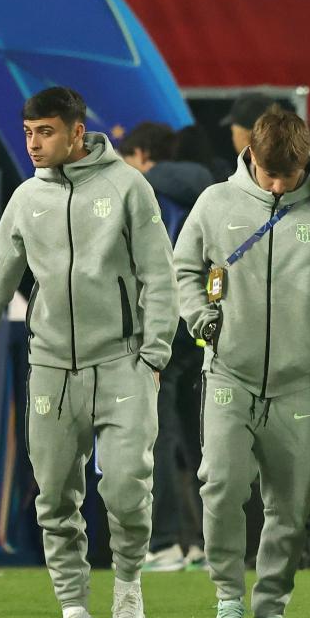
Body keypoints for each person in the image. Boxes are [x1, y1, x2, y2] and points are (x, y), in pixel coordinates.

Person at [0, 87, 178, 618]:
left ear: (76, 132)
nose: (33, 144)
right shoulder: (26, 198)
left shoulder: (127, 187)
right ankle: (74, 613)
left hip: (121, 362)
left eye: (45, 132)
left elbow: (160, 275)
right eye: (28, 133)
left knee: (125, 488)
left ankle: (128, 590)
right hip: (50, 366)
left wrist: (154, 354)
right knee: (53, 498)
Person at [173, 109, 310, 618]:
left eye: (290, 173)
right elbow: (183, 268)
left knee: (290, 507)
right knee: (221, 489)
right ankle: (228, 603)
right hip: (228, 375)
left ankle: (271, 612)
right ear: (250, 156)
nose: (279, 184)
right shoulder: (215, 203)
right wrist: (200, 317)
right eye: (270, 173)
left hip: (295, 381)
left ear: (307, 161)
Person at [118, 122, 215, 572]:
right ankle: (206, 542)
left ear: (140, 154)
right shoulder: (207, 191)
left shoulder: (142, 192)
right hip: (201, 320)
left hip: (160, 324)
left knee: (156, 434)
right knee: (198, 436)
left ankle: (163, 542)